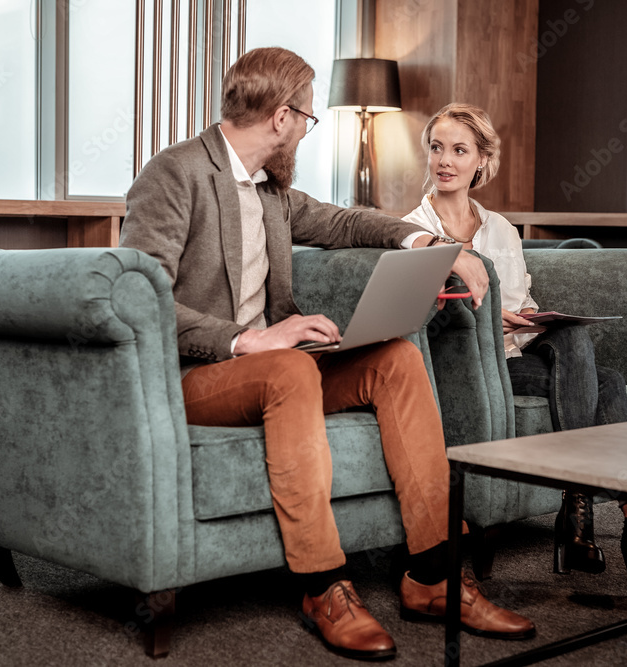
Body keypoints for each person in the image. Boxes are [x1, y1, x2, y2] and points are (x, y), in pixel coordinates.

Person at [119, 49, 535, 661]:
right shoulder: (174, 174)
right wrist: (247, 338)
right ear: (282, 118)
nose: (304, 133)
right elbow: (137, 296)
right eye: (308, 120)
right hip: (195, 374)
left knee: (394, 359)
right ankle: (322, 587)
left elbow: (347, 223)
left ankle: (433, 574)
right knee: (289, 366)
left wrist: (432, 242)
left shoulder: (271, 190)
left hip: (272, 369)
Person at [404, 102, 627, 600]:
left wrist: (532, 317)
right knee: (607, 382)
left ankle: (589, 517)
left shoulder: (501, 229)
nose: (445, 160)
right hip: (468, 367)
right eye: (437, 147)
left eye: (459, 150)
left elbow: (520, 299)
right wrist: (490, 318)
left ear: (481, 160)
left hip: (514, 354)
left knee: (582, 348)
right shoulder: (412, 231)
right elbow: (423, 318)